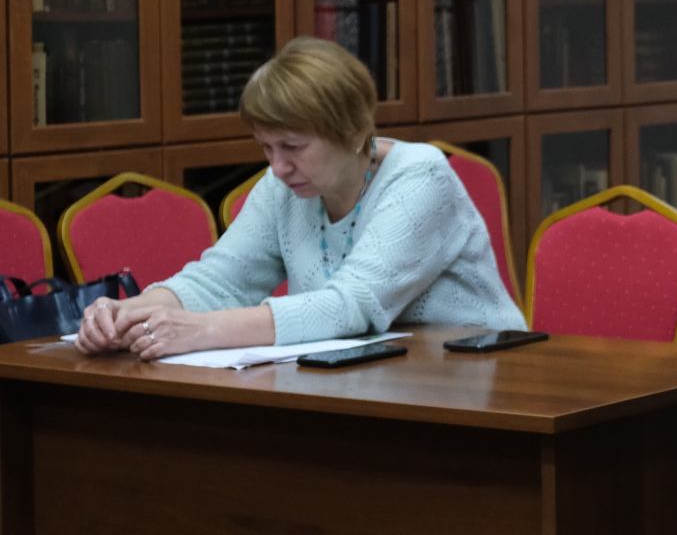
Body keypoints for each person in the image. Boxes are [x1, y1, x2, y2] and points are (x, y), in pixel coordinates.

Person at [75, 38, 524, 359]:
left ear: (353, 132)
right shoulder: (284, 187)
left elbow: (353, 304)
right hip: (372, 380)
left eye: (292, 146)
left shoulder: (421, 177)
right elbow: (222, 280)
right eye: (266, 147)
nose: (277, 167)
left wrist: (203, 330)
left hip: (479, 377)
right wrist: (125, 313)